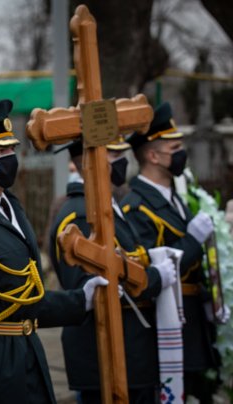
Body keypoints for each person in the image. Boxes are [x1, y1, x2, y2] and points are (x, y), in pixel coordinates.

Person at [0, 100, 108, 403]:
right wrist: (78, 301)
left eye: (11, 149)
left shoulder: (9, 204)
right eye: (1, 151)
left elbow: (26, 289)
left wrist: (79, 301)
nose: (11, 158)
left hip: (28, 349)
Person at [50, 138, 177, 403]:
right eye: (113, 153)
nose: (122, 160)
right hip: (106, 353)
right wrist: (155, 277)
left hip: (129, 351)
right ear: (90, 160)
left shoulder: (104, 205)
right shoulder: (82, 215)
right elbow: (92, 289)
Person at [122, 102, 219, 402]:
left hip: (191, 322)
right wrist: (192, 240)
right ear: (152, 155)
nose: (181, 153)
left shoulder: (175, 197)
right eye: (174, 147)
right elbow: (154, 270)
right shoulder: (137, 207)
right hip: (166, 326)